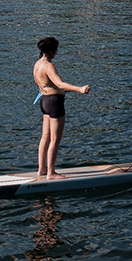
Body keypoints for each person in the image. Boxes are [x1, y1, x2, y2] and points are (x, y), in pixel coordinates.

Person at [33, 36, 90, 179]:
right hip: (54, 103)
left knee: (45, 137)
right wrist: (79, 89)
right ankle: (51, 173)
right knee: (55, 139)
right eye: (56, 50)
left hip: (44, 101)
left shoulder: (37, 65)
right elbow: (59, 84)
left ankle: (42, 169)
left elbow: (46, 85)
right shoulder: (48, 66)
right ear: (53, 51)